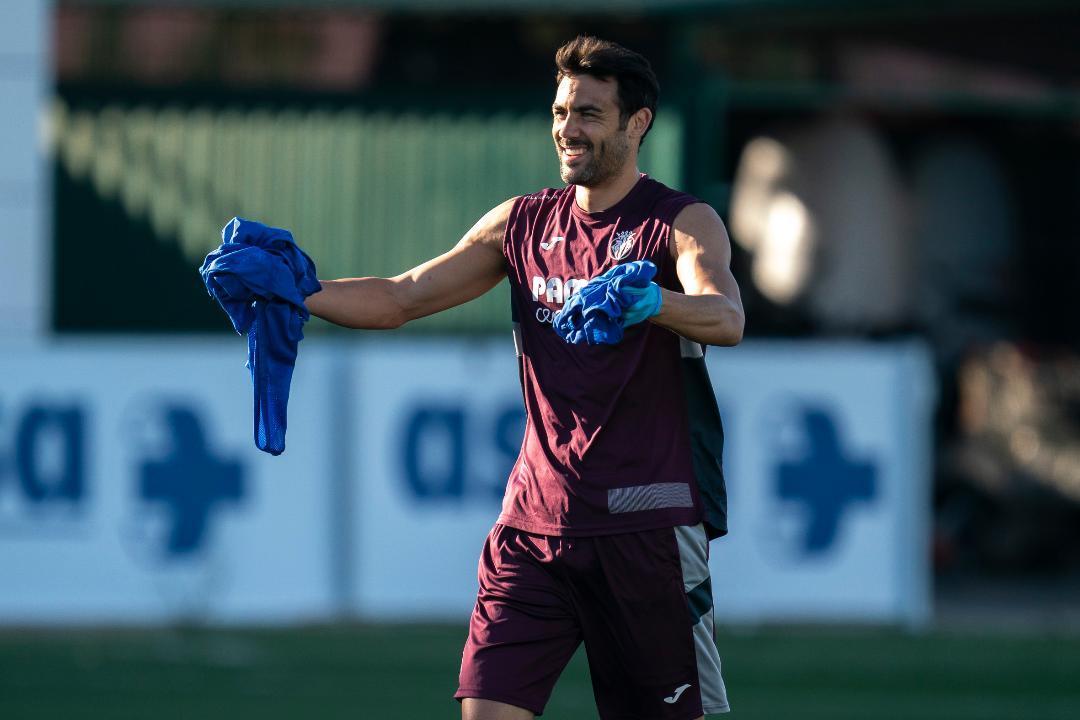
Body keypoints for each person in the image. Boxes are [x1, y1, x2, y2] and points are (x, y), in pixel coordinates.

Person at [306, 35, 744, 720]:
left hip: (646, 530)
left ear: (638, 123)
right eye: (561, 111)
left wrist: (652, 301)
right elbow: (400, 297)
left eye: (589, 114)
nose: (568, 129)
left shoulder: (680, 222)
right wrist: (296, 290)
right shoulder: (522, 222)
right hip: (533, 526)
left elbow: (727, 316)